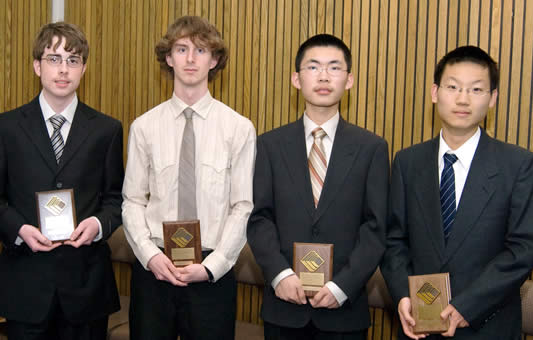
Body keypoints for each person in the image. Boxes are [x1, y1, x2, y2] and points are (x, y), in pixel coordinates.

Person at [381, 45, 533, 340]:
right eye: (453, 87)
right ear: (435, 92)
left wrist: (468, 305)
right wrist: (402, 294)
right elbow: (394, 239)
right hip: (418, 326)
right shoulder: (408, 162)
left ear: (493, 99)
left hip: (488, 326)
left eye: (476, 90)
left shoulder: (519, 165)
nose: (463, 99)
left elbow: (523, 249)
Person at [122, 16, 256, 340]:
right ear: (169, 58)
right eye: (181, 49)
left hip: (211, 274)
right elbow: (132, 201)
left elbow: (242, 206)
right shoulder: (144, 127)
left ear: (215, 59)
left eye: (200, 49)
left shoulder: (239, 129)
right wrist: (149, 256)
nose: (191, 58)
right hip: (154, 271)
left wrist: (214, 266)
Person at [247, 34, 389, 340]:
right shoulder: (270, 145)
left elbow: (376, 228)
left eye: (334, 68)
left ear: (349, 80)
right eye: (313, 67)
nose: (324, 76)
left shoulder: (371, 148)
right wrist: (280, 275)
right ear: (296, 79)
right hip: (284, 305)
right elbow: (259, 218)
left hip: (343, 310)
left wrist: (343, 286)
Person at [0, 22, 124, 339]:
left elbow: (115, 199)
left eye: (72, 60)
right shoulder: (7, 127)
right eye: (54, 58)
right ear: (36, 66)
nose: (63, 69)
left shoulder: (106, 130)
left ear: (83, 68)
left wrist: (97, 225)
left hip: (86, 286)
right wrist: (19, 229)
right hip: (25, 285)